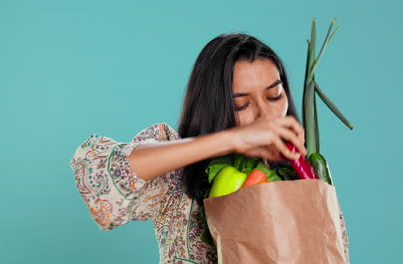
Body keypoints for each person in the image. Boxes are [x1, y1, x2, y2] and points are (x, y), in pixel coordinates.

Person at [69, 33, 350, 264]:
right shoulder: (178, 170)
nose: (266, 115)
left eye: (275, 95)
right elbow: (100, 182)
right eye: (241, 104)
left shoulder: (306, 175)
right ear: (214, 105)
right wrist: (231, 139)